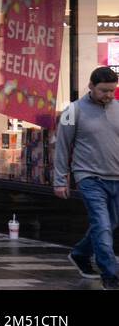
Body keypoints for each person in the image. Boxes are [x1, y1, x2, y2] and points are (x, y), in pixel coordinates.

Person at [55, 66, 119, 289]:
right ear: (91, 86)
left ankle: (80, 254)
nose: (109, 95)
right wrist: (60, 179)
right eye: (104, 91)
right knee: (102, 225)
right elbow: (62, 146)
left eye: (112, 90)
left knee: (111, 223)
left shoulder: (118, 108)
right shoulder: (74, 110)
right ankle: (111, 276)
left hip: (117, 177)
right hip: (89, 177)